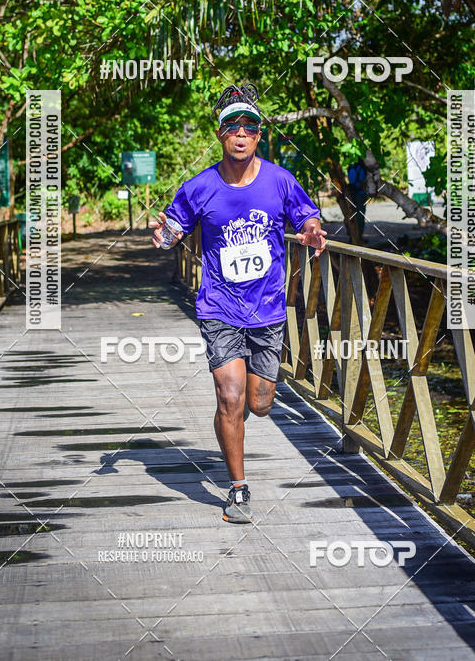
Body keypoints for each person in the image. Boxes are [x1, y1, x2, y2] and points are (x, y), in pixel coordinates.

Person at [152, 83, 327, 523]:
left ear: (259, 134)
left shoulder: (279, 180)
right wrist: (164, 236)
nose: (242, 132)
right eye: (233, 125)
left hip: (266, 309)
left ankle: (228, 423)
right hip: (219, 307)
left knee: (259, 404)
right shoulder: (199, 187)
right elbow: (174, 227)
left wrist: (310, 229)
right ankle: (238, 489)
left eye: (250, 125)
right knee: (230, 396)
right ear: (221, 134)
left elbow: (306, 214)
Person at [347, 157, 367, 239]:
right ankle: (359, 236)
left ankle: (352, 236)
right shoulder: (361, 168)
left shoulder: (350, 167)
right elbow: (363, 182)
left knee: (352, 215)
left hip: (351, 195)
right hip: (360, 194)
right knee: (360, 216)